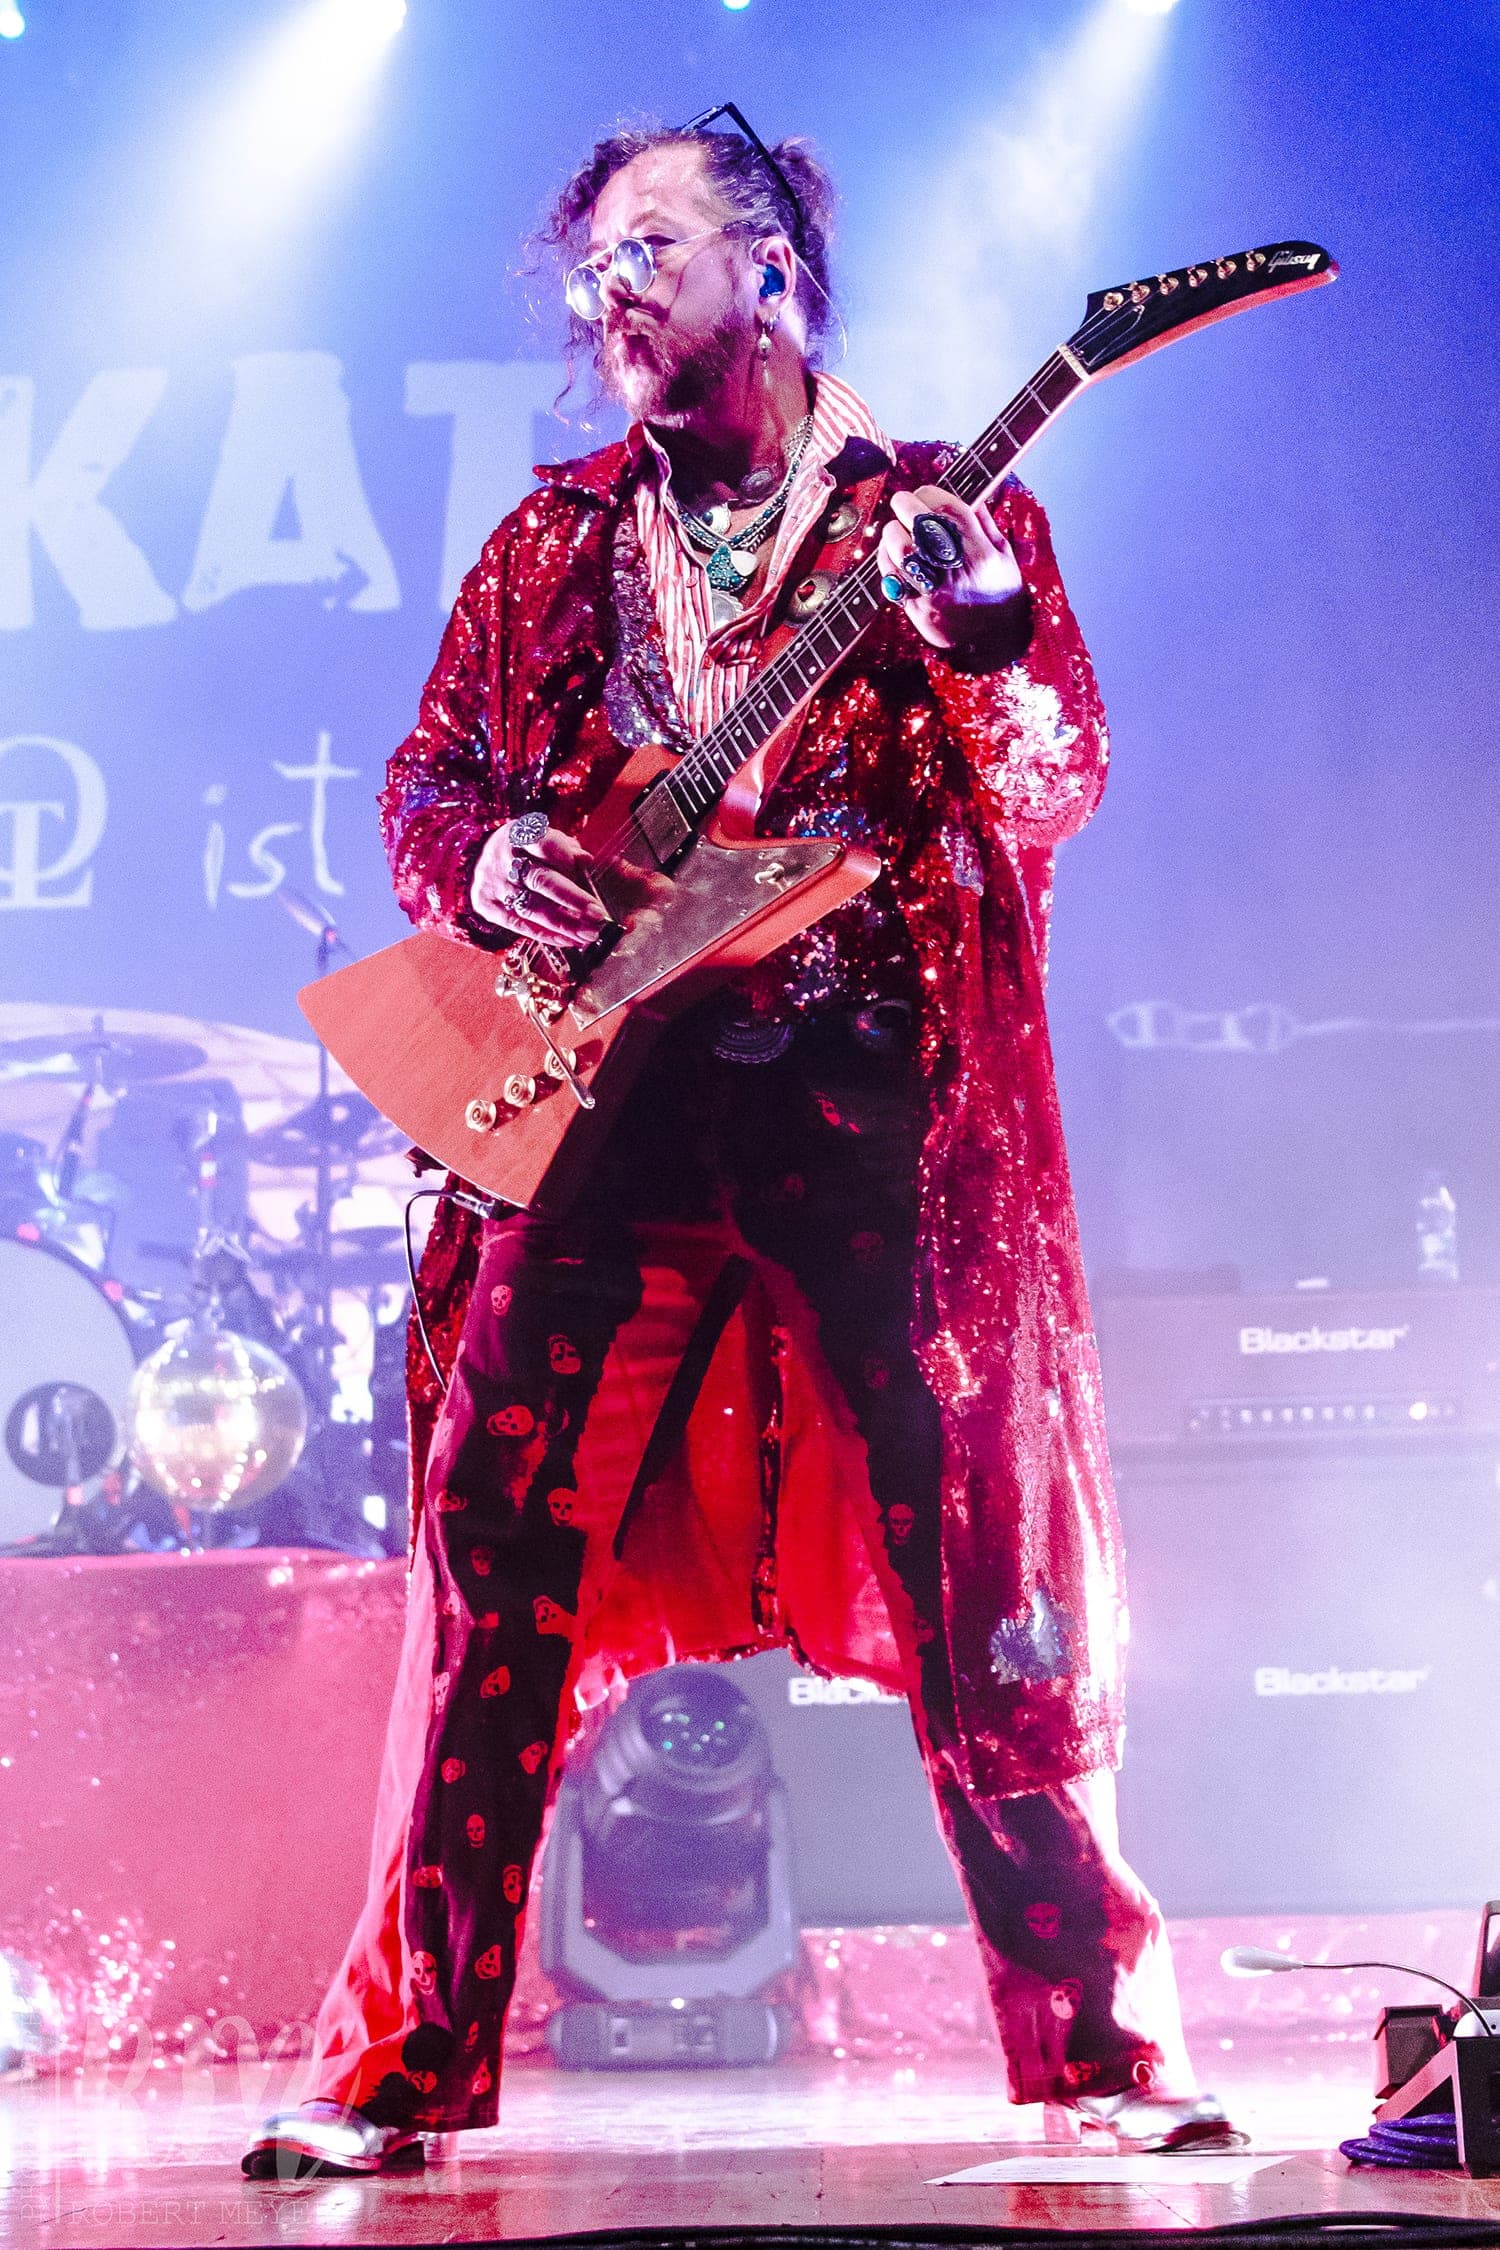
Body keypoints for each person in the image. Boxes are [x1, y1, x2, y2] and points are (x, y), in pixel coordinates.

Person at [245, 113, 1241, 2181]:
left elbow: (1054, 778)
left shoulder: (937, 515)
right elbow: (429, 779)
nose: (604, 291)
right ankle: (405, 2064)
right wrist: (483, 856)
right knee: (492, 1553)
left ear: (771, 268)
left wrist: (978, 627)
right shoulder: (548, 546)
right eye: (591, 260)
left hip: (866, 1109)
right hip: (605, 1111)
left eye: (649, 247)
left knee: (980, 1570)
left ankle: (1101, 2050)